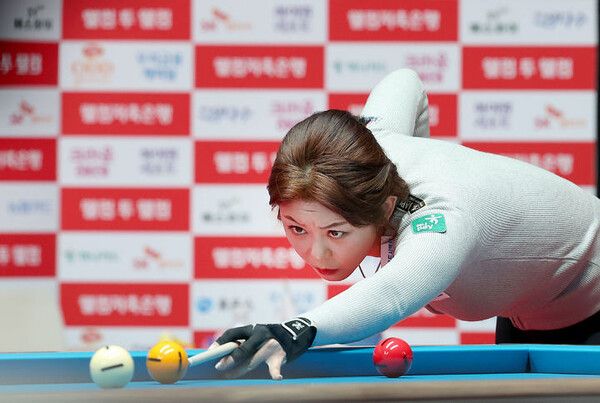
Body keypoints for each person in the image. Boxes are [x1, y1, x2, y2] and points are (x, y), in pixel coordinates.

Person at [209, 68, 600, 380]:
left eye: (336, 232)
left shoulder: (441, 218)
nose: (317, 253)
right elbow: (404, 80)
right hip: (533, 310)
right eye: (297, 229)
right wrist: (423, 150)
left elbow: (393, 293)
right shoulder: (372, 148)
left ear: (386, 206)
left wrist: (294, 330)